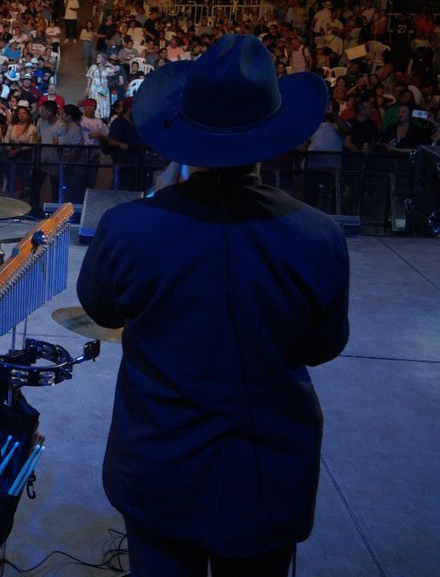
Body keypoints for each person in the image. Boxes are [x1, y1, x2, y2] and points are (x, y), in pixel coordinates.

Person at [77, 34, 349, 577]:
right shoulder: (318, 236)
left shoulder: (128, 228)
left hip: (159, 468)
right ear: (272, 134)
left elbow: (102, 311)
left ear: (182, 135)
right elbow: (324, 347)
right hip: (269, 475)